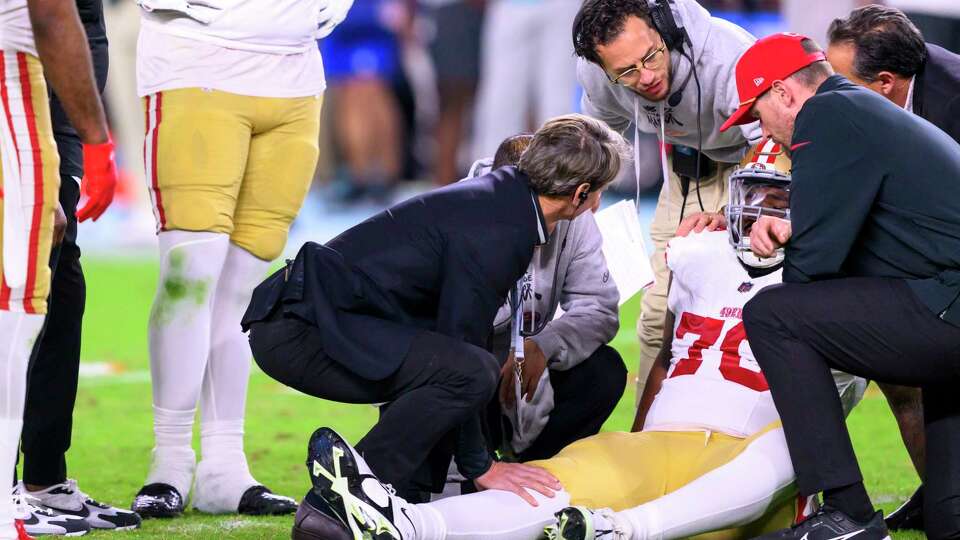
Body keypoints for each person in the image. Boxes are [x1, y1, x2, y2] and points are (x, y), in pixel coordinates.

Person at [288, 140, 867, 540]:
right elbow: (664, 359)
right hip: (659, 440)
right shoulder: (697, 254)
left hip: (756, 448)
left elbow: (842, 391)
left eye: (778, 199)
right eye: (753, 195)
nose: (758, 213)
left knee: (794, 439)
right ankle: (409, 522)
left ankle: (618, 530)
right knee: (557, 478)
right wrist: (640, 431)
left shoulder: (846, 277)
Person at [242, 114, 629, 536]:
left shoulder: (502, 203)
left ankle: (361, 501)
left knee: (458, 367)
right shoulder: (502, 227)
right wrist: (481, 466)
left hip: (305, 318)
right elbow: (463, 352)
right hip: (300, 329)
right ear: (580, 193)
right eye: (600, 193)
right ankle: (346, 500)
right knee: (468, 370)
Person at [719, 32, 960, 540]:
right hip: (946, 300)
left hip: (949, 305)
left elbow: (810, 275)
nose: (762, 132)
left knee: (773, 314)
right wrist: (798, 231)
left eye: (757, 114)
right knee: (950, 521)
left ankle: (846, 512)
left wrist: (795, 240)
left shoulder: (824, 116)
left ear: (784, 93)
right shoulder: (856, 109)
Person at [130, 0, 352, 519]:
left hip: (296, 73)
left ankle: (224, 466)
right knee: (191, 273)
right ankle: (170, 461)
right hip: (196, 61)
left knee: (244, 292)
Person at [572, 0, 761, 401]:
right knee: (659, 316)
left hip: (755, 169)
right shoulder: (596, 72)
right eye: (626, 71)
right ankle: (650, 439)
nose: (646, 76)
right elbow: (598, 136)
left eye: (651, 57)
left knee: (753, 314)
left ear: (664, 30)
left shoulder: (727, 57)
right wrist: (587, 190)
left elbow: (771, 144)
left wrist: (733, 211)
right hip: (686, 173)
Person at [826, 5, 960, 530]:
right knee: (900, 376)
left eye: (842, 80)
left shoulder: (952, 102)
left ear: (884, 82)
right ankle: (939, 491)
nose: (830, 91)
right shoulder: (887, 98)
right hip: (920, 251)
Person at [12, 0, 141, 534]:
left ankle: (44, 479)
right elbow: (46, 14)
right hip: (19, 76)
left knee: (60, 277)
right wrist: (99, 142)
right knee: (21, 282)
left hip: (61, 71)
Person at [467, 133, 625, 464]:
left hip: (522, 375)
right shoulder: (458, 214)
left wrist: (543, 343)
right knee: (469, 369)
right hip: (457, 371)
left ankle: (540, 472)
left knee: (604, 371)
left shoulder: (571, 209)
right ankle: (463, 475)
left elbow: (599, 308)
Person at [472, 0, 581, 159]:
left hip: (562, 7)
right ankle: (493, 173)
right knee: (501, 102)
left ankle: (563, 172)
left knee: (559, 102)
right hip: (512, 6)